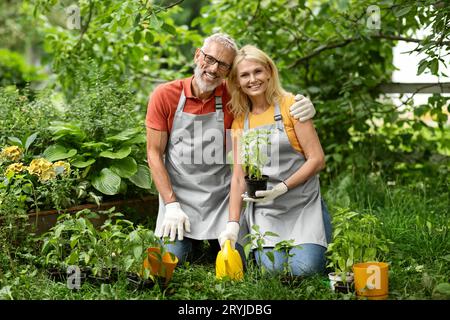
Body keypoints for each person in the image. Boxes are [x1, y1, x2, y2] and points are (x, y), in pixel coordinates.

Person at [146, 33, 317, 265]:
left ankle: (210, 242)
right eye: (209, 59)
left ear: (229, 72)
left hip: (221, 200)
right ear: (198, 55)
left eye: (224, 65)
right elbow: (154, 154)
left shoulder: (233, 96)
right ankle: (191, 244)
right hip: (180, 199)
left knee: (238, 261)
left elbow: (266, 98)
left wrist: (303, 105)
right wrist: (171, 204)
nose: (214, 69)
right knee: (170, 261)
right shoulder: (165, 96)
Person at [219, 44, 332, 276]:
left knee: (305, 270)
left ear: (269, 71)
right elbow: (239, 177)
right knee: (272, 270)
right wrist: (232, 223)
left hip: (302, 206)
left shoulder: (292, 105)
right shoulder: (240, 121)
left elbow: (317, 159)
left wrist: (282, 187)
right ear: (237, 82)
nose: (253, 79)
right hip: (266, 209)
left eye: (258, 71)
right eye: (245, 75)